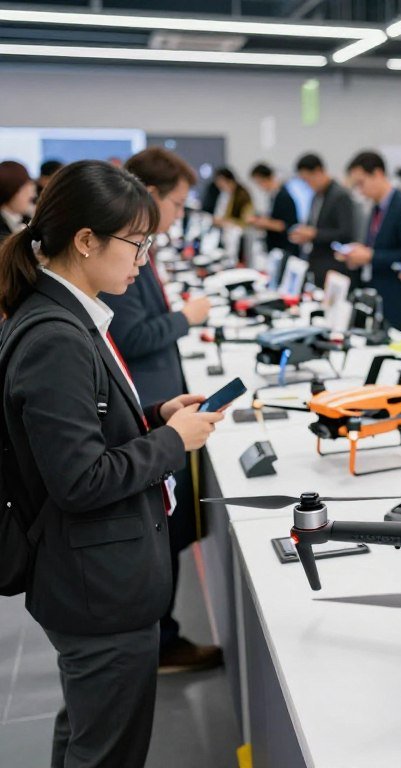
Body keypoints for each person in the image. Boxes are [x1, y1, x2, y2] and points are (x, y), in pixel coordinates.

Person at [0, 160, 224, 767]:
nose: (144, 259)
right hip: (97, 583)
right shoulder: (55, 335)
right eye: (136, 243)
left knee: (87, 731)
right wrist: (174, 440)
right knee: (108, 750)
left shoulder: (70, 313)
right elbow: (80, 479)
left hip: (91, 576)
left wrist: (152, 416)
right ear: (85, 241)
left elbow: (82, 432)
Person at [100, 147, 219, 673]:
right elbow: (132, 332)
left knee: (171, 529)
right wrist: (187, 318)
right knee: (164, 530)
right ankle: (162, 641)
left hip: (156, 400)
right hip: (146, 408)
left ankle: (163, 636)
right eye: (175, 203)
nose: (178, 213)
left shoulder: (135, 249)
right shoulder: (120, 256)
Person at [341, 151, 401, 333]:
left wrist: (371, 256)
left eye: (361, 183)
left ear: (377, 174)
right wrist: (360, 253)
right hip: (378, 297)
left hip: (399, 299)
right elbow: (379, 246)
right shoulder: (376, 208)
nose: (360, 190)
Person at [287, 153, 356, 285]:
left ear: (319, 171)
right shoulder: (315, 197)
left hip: (333, 267)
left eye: (308, 180)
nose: (307, 184)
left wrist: (314, 234)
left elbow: (346, 233)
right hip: (315, 264)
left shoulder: (340, 196)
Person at [248, 162, 299, 257]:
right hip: (275, 248)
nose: (259, 187)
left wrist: (262, 223)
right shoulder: (273, 196)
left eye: (259, 182)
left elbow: (285, 225)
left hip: (284, 249)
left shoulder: (283, 197)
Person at [0, 161, 36, 243]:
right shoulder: (3, 229)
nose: (31, 194)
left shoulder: (28, 220)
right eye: (24, 188)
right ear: (9, 191)